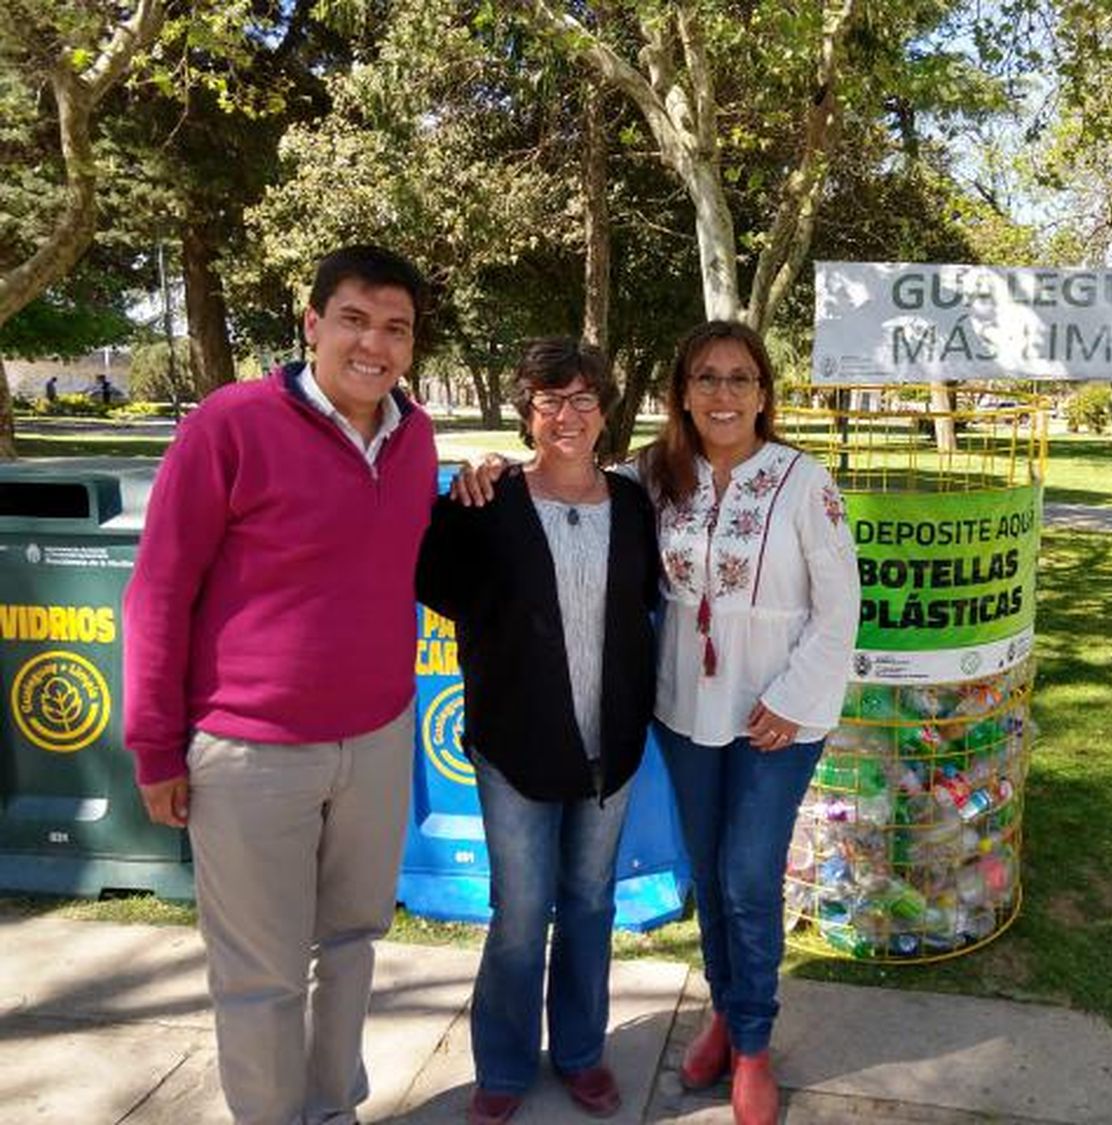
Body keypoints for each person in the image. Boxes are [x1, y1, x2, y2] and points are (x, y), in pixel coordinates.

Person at [454, 320, 860, 1125]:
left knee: (748, 877)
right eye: (705, 377)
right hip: (683, 708)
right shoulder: (653, 476)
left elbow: (841, 604)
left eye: (740, 378)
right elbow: (566, 475)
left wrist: (792, 695)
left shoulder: (803, 480)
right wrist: (491, 466)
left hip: (776, 715)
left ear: (764, 392)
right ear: (680, 391)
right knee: (708, 874)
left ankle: (751, 1042)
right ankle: (722, 1008)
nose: (722, 393)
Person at [124, 244, 437, 1125]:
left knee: (350, 945)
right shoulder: (230, 423)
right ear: (312, 325)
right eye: (354, 319)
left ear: (411, 346)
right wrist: (154, 745)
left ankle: (331, 1108)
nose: (373, 343)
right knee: (260, 976)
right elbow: (159, 588)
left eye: (395, 328)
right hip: (251, 750)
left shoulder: (415, 438)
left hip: (375, 738)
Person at [416, 339, 660, 1125]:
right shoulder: (487, 503)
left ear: (605, 410)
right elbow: (437, 585)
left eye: (585, 398)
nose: (568, 415)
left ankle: (582, 1053)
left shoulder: (631, 506)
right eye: (551, 399)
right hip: (515, 745)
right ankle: (505, 1063)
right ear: (526, 412)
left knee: (590, 905)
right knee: (521, 913)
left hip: (608, 745)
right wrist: (465, 486)